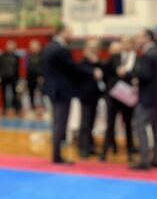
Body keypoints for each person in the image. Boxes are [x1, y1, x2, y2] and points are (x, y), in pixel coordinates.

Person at [42, 24, 101, 164]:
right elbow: (71, 68)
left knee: (58, 122)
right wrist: (91, 73)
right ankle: (57, 156)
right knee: (60, 123)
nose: (71, 35)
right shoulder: (60, 49)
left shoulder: (48, 47)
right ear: (62, 32)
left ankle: (56, 154)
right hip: (61, 91)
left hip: (53, 89)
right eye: (69, 32)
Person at [129, 29, 157, 170]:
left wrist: (134, 77)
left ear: (146, 37)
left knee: (140, 125)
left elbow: (145, 75)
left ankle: (144, 160)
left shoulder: (147, 54)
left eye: (139, 36)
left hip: (148, 98)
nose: (137, 39)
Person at [100, 37, 136, 161]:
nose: (124, 45)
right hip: (113, 96)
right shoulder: (115, 57)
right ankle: (104, 152)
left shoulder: (136, 59)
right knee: (110, 124)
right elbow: (104, 70)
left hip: (128, 96)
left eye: (127, 42)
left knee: (128, 125)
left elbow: (139, 74)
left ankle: (130, 152)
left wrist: (130, 75)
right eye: (123, 43)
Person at [77, 39, 103, 158]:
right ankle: (82, 147)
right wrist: (93, 71)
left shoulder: (99, 62)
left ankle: (90, 146)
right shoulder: (82, 62)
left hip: (95, 96)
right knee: (85, 122)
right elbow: (81, 73)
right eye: (90, 47)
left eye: (95, 47)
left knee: (92, 122)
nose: (93, 49)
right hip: (85, 96)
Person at [0, 40, 20, 116]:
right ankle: (4, 108)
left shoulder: (16, 57)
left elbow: (17, 68)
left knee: (15, 94)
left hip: (13, 78)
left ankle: (16, 108)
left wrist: (17, 78)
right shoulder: (2, 56)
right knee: (3, 94)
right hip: (4, 78)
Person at [25, 39, 43, 112]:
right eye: (32, 47)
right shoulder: (28, 56)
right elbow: (26, 66)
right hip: (30, 77)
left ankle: (42, 106)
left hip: (40, 77)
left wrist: (41, 75)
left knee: (42, 93)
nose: (33, 48)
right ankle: (32, 106)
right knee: (31, 92)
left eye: (35, 47)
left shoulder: (42, 56)